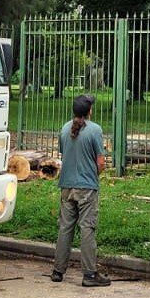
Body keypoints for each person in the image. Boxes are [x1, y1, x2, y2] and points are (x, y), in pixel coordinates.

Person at [51, 94, 111, 287]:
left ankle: (58, 271)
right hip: (86, 187)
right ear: (89, 111)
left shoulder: (65, 128)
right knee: (87, 228)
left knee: (65, 227)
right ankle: (90, 274)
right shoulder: (95, 130)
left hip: (66, 186)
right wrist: (94, 175)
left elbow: (64, 152)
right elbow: (100, 162)